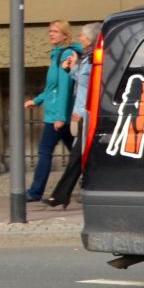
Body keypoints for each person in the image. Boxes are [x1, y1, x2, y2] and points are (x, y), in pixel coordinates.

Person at [44, 22, 101, 210]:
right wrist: (73, 67)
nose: (80, 38)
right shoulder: (85, 56)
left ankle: (61, 195)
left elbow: (89, 83)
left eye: (82, 36)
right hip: (83, 113)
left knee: (78, 156)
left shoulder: (93, 58)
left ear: (90, 39)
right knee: (80, 156)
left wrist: (74, 67)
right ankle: (63, 195)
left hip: (89, 115)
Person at [25, 20, 83, 202]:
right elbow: (53, 88)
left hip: (57, 117)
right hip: (58, 114)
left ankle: (35, 192)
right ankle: (91, 183)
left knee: (44, 151)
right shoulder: (56, 55)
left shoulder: (65, 55)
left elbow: (65, 89)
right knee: (77, 155)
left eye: (56, 31)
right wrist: (37, 100)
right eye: (50, 31)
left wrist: (60, 117)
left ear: (65, 35)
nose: (51, 34)